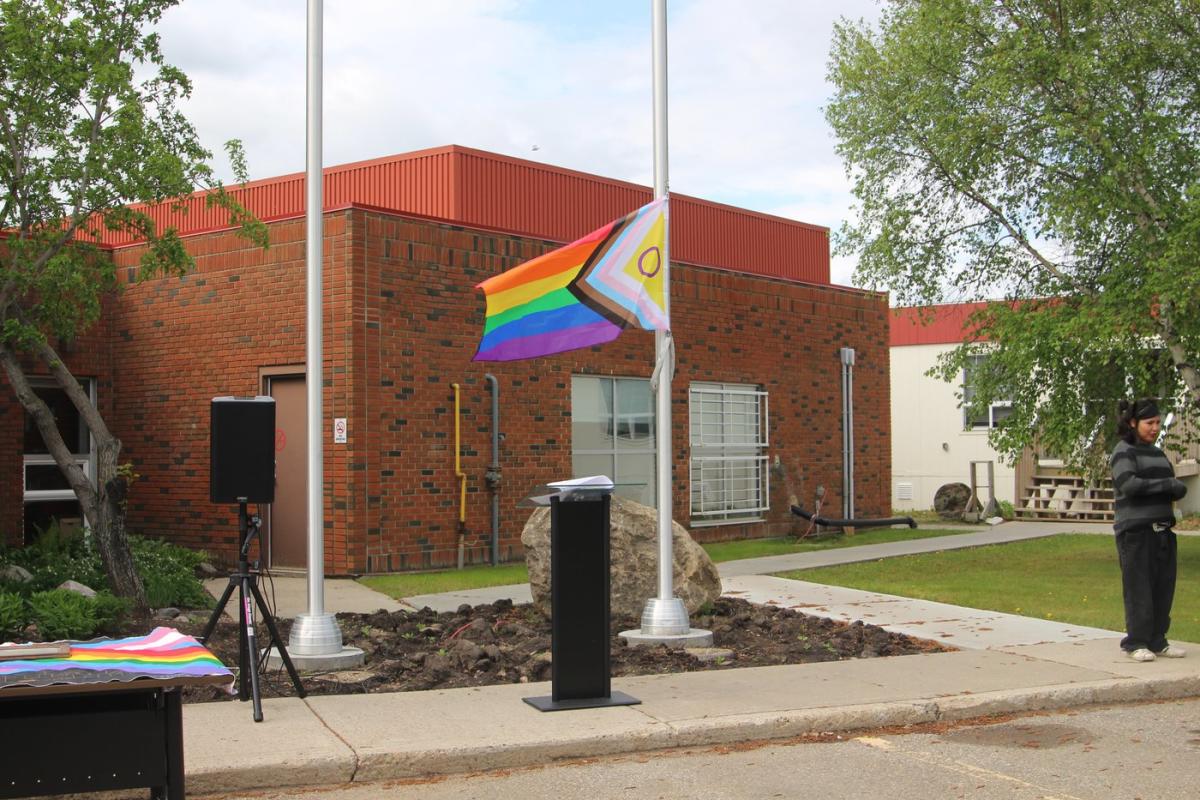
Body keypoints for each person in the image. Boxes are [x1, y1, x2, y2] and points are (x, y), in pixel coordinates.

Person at [1111, 397, 1188, 662]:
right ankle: (1136, 642)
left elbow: (1175, 485)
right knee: (1139, 588)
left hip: (1163, 531)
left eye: (1157, 422)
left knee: (1163, 588)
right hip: (1135, 532)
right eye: (1149, 423)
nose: (1155, 428)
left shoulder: (1157, 453)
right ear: (1133, 423)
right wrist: (1167, 485)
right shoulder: (1123, 451)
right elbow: (1129, 485)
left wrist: (1170, 485)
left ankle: (1158, 641)